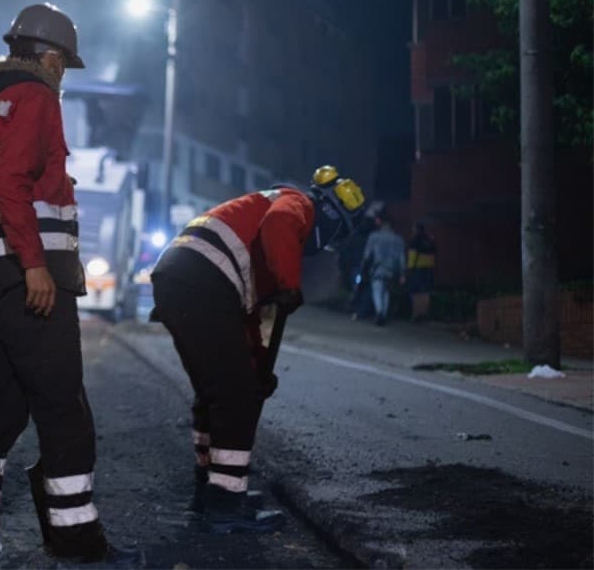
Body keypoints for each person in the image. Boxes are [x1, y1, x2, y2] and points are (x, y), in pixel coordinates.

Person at [0, 3, 141, 567]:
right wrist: (35, 264)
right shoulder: (37, 96)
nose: (63, 75)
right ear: (52, 58)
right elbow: (12, 185)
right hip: (28, 278)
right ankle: (77, 543)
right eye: (65, 64)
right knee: (64, 409)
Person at [149, 166, 366, 534]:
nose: (323, 248)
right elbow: (280, 225)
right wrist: (289, 284)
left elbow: (245, 321)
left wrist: (258, 367)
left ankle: (212, 492)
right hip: (201, 281)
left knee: (218, 391)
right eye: (332, 239)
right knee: (236, 398)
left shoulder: (255, 228)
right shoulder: (297, 204)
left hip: (182, 279)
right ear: (331, 215)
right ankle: (225, 506)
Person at [362, 214, 406, 326]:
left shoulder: (374, 236)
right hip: (391, 270)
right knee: (386, 292)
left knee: (377, 290)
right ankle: (384, 314)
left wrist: (364, 267)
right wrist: (402, 273)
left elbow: (367, 254)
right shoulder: (398, 239)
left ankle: (380, 312)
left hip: (377, 268)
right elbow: (402, 258)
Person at [406, 220, 436, 321]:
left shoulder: (415, 240)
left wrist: (410, 268)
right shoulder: (429, 240)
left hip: (417, 269)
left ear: (416, 229)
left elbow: (412, 255)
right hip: (429, 268)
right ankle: (424, 313)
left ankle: (416, 314)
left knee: (414, 292)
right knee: (425, 291)